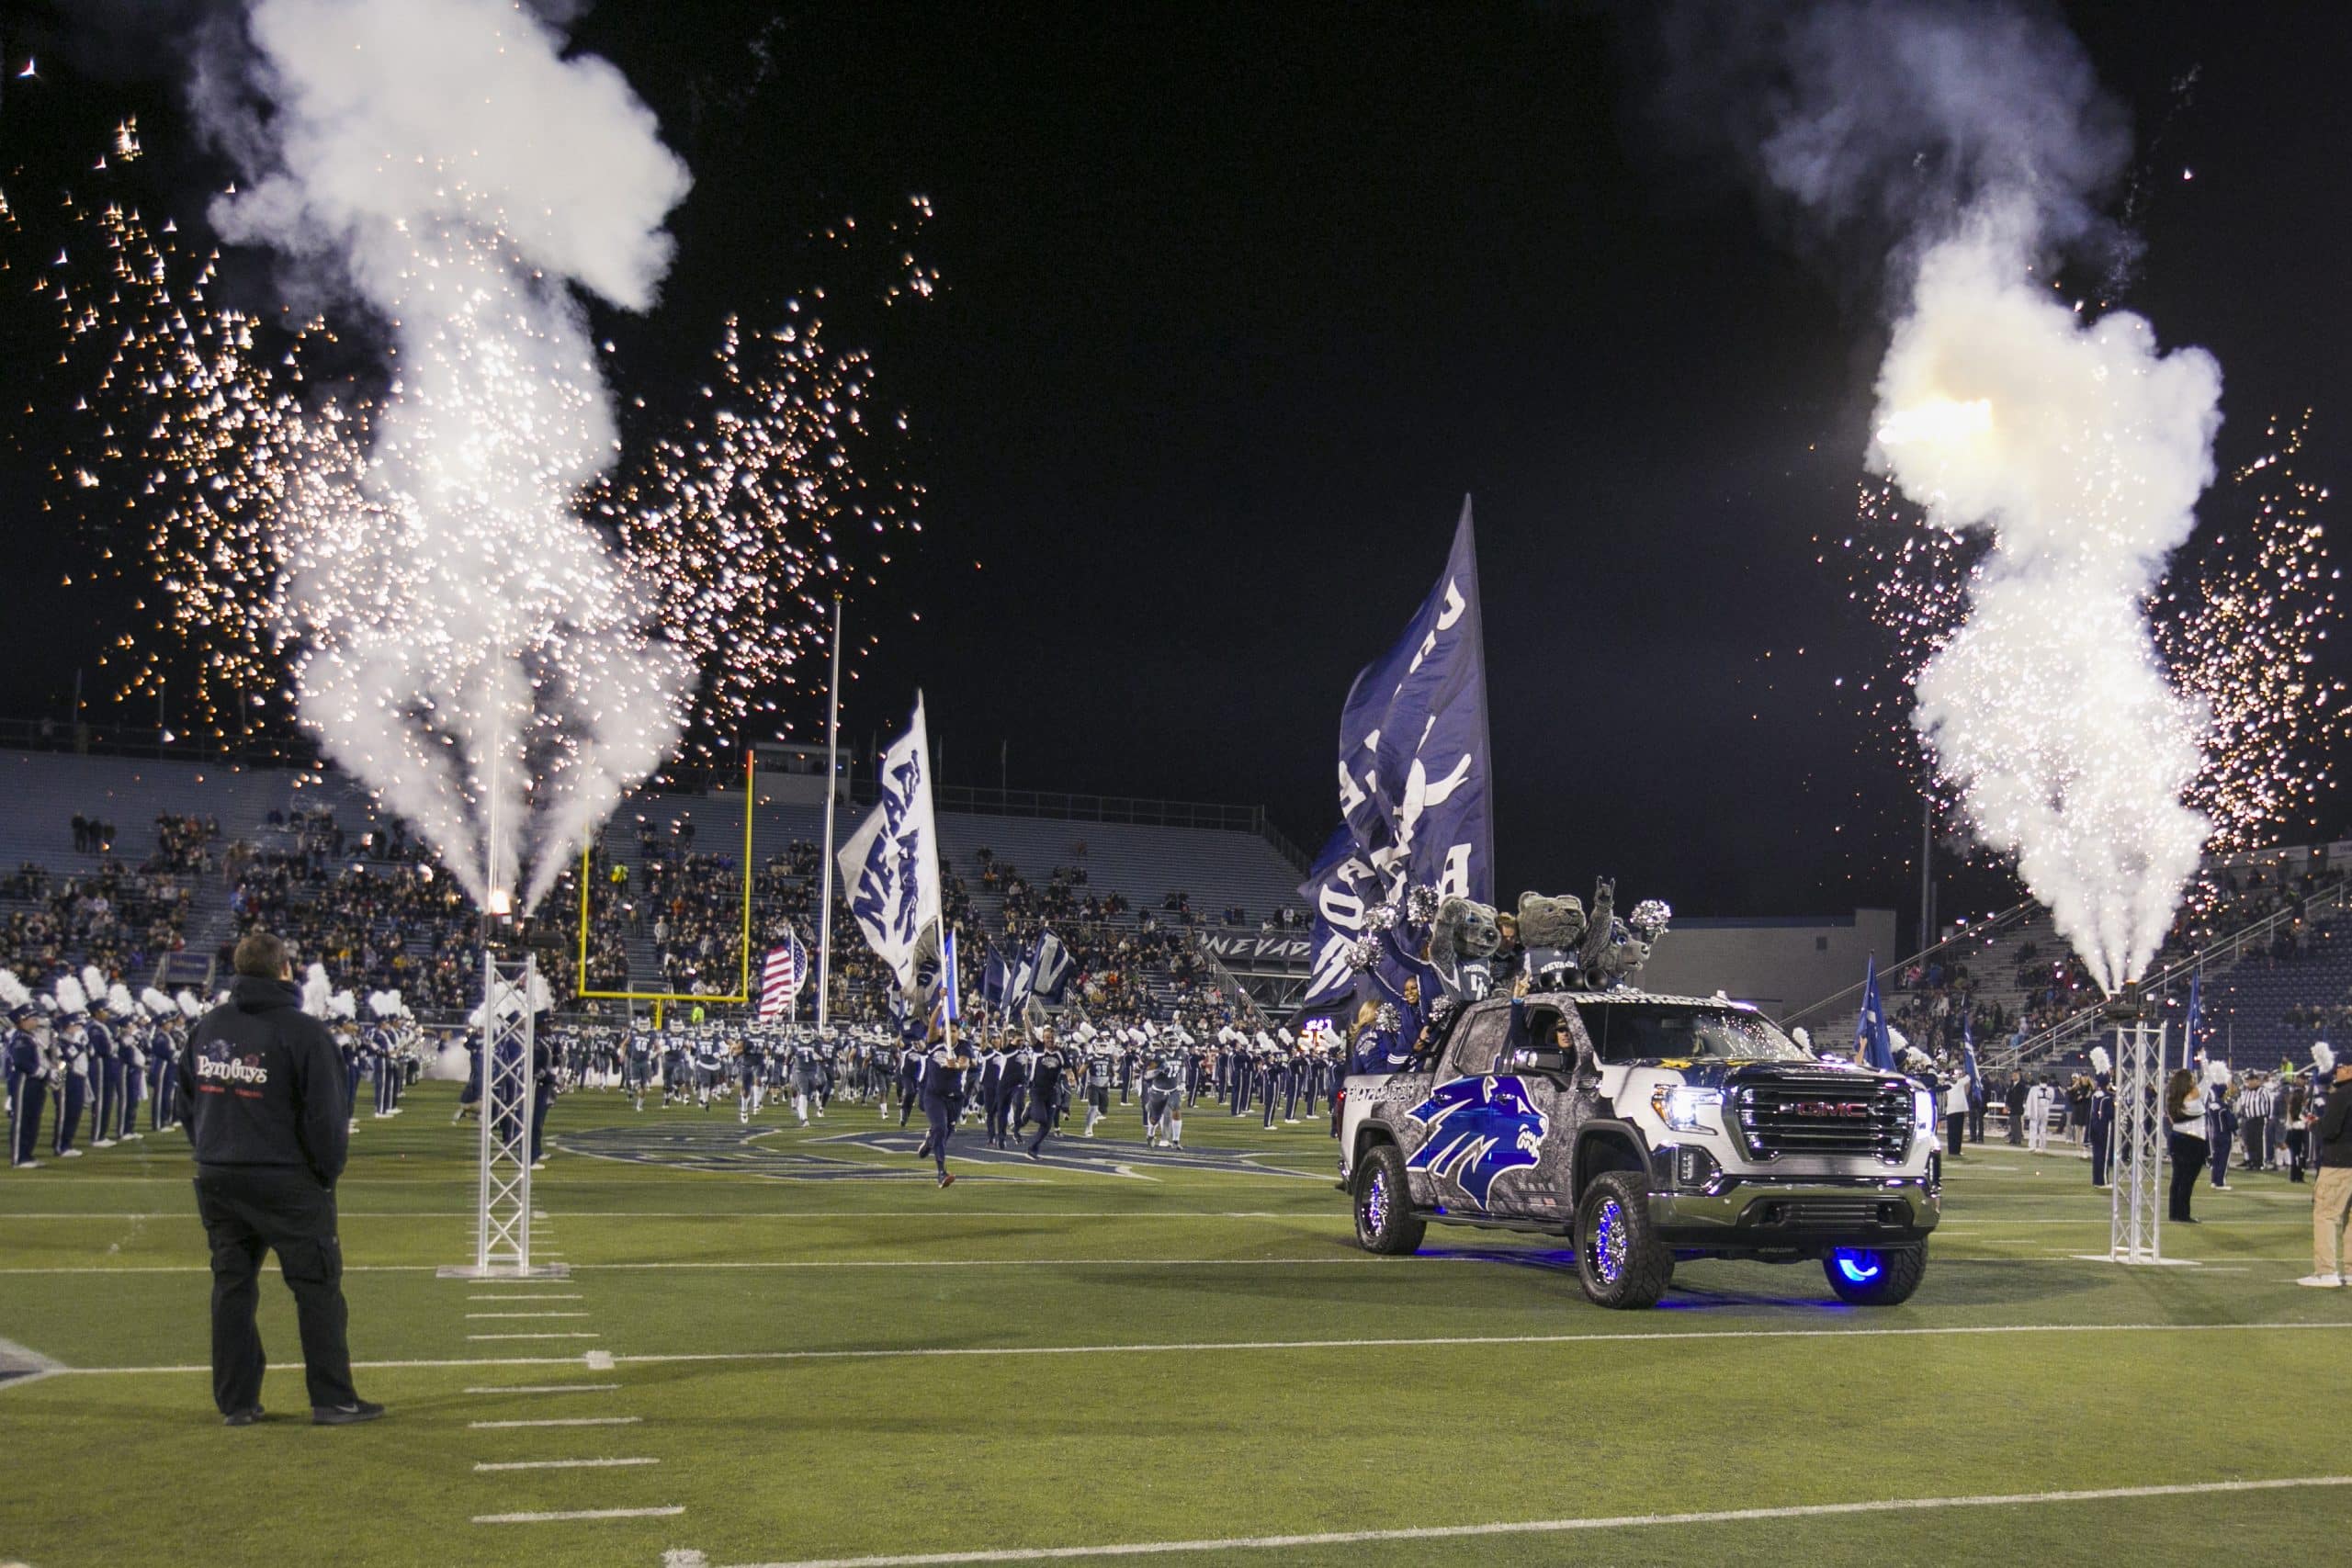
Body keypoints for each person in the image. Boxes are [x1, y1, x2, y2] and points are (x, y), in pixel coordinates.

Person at [179, 931, 382, 1427]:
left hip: (220, 1176)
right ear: (285, 970)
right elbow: (327, 1120)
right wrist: (324, 1174)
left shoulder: (207, 1027)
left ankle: (236, 1402)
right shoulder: (305, 1033)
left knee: (232, 1287)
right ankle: (333, 1398)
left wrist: (214, 1152)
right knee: (317, 1288)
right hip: (287, 1180)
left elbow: (186, 1104)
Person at [2304, 1051, 2352, 1286]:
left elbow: (2331, 1129)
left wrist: (2315, 1126)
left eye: (2341, 1067)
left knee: (2326, 1215)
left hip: (2340, 1164)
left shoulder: (2342, 1095)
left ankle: (2326, 1272)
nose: (2337, 1071)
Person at [2165, 1066, 2207, 1224]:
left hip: (2176, 1139)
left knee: (2177, 1179)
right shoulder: (2193, 1097)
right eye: (2191, 1078)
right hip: (2192, 1142)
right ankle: (2183, 1214)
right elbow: (2208, 1079)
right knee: (2187, 1180)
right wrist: (2203, 1059)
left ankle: (2174, 1213)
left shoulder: (2173, 1099)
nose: (2194, 1081)